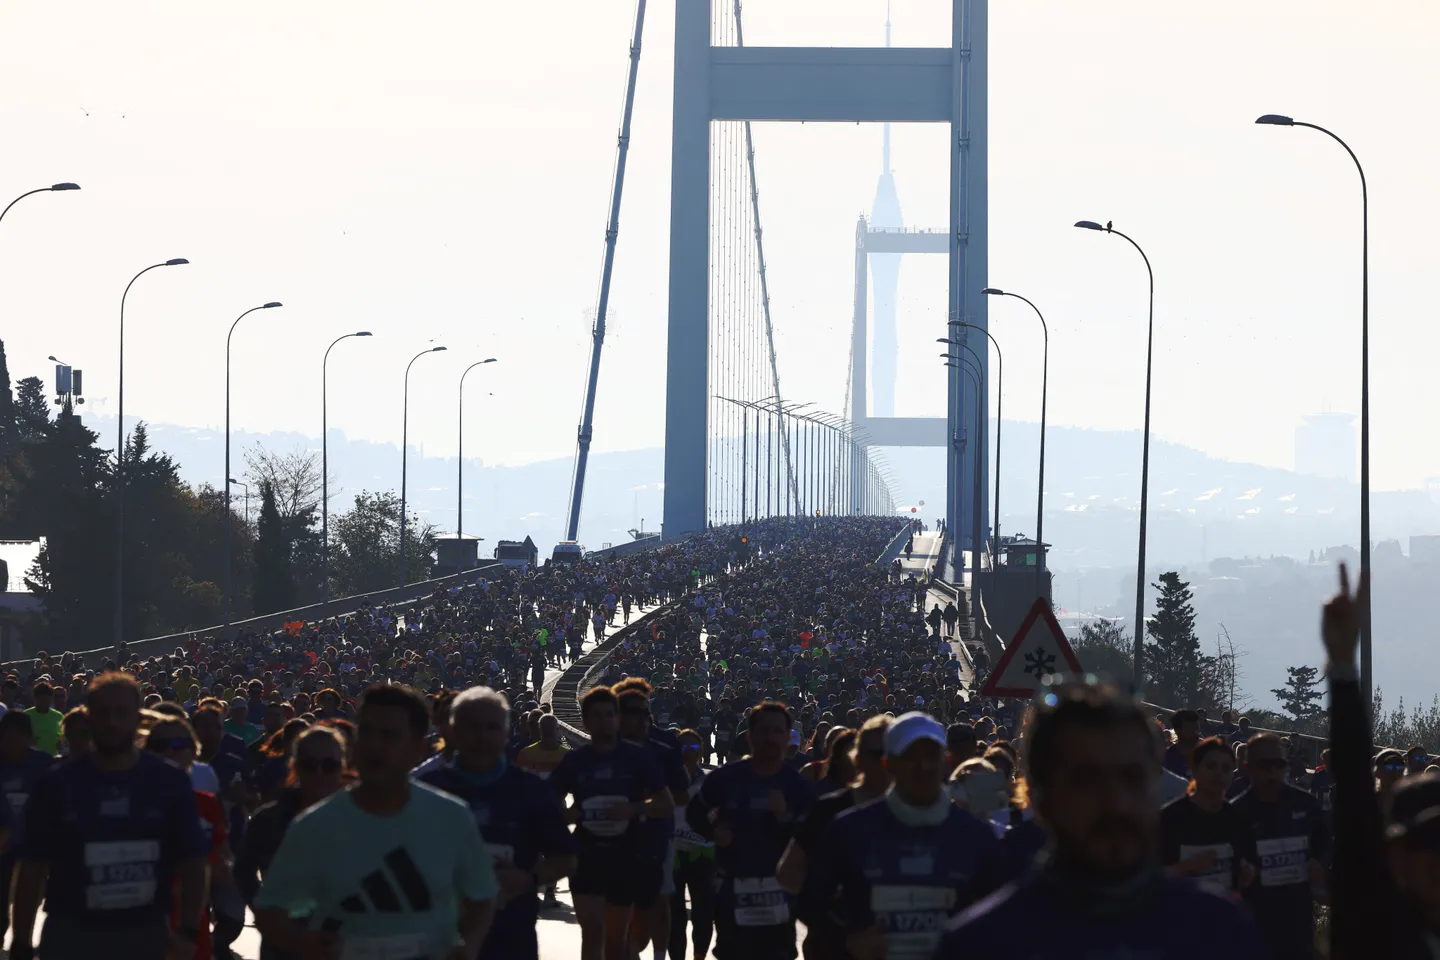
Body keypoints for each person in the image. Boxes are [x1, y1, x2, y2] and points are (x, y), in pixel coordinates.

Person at [936, 682, 1270, 958]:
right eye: (1088, 781)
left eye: (1132, 778)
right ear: (1039, 799)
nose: (1116, 802)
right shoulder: (980, 946)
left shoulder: (1220, 931)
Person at [254, 683, 498, 959]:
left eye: (390, 735)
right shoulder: (315, 825)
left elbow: (482, 897)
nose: (375, 746)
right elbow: (269, 909)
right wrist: (301, 942)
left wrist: (469, 946)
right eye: (367, 733)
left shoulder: (450, 817)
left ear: (419, 747)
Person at [11, 672, 210, 960]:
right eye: (103, 713)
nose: (112, 722)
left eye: (122, 713)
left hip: (144, 936)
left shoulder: (170, 782)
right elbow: (31, 870)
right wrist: (20, 943)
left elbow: (193, 863)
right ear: (89, 718)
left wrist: (188, 933)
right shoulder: (56, 785)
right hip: (71, 937)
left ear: (137, 717)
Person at [805, 712, 1006, 960]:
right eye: (911, 756)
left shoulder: (976, 835)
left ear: (945, 761)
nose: (924, 766)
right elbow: (810, 900)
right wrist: (846, 939)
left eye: (932, 755)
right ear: (889, 764)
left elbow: (1003, 911)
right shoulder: (850, 830)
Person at [419, 686, 576, 960]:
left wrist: (529, 879)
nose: (482, 737)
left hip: (511, 938)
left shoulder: (531, 791)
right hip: (438, 942)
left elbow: (566, 858)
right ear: (453, 732)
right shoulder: (424, 790)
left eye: (492, 727)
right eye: (472, 727)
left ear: (506, 733)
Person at [686, 701, 815, 960]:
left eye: (778, 731)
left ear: (787, 737)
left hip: (779, 894)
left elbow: (812, 837)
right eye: (764, 730)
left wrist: (784, 818)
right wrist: (714, 832)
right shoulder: (725, 778)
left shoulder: (797, 786)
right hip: (734, 889)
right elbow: (694, 814)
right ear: (750, 736)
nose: (770, 737)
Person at [549, 685, 670, 960]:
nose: (603, 721)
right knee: (592, 932)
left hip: (626, 857)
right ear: (586, 721)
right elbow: (547, 804)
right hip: (587, 856)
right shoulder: (575, 761)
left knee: (617, 939)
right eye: (597, 716)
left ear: (617, 719)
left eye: (608, 715)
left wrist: (635, 808)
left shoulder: (637, 757)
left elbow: (665, 803)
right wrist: (565, 815)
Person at [236, 725, 349, 960]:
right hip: (283, 942)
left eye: (329, 766)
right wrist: (263, 912)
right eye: (309, 765)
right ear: (295, 767)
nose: (319, 773)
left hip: (344, 941)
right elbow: (243, 871)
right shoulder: (268, 819)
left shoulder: (361, 820)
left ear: (343, 768)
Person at [1232, 732, 1328, 960]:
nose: (1273, 772)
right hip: (1253, 924)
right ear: (1248, 767)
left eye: (1279, 764)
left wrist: (1319, 864)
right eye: (1265, 765)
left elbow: (1323, 843)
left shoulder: (1306, 804)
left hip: (1297, 922)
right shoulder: (1236, 814)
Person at [144, 714, 231, 960]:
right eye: (160, 746)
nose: (171, 752)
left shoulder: (206, 804)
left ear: (194, 751)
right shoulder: (133, 802)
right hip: (142, 927)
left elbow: (223, 863)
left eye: (179, 745)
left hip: (191, 927)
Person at [613, 680, 689, 960]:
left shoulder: (665, 743)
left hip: (657, 835)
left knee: (659, 901)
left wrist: (645, 804)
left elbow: (681, 796)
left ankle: (658, 954)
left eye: (644, 710)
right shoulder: (607, 743)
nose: (641, 716)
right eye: (631, 710)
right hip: (614, 838)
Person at [1159, 736, 1257, 896]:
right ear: (1195, 768)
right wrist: (1185, 868)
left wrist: (1245, 876)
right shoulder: (1169, 818)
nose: (1218, 773)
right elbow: (1145, 879)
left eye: (1226, 768)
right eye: (1211, 766)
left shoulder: (1238, 820)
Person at [669, 729, 716, 960]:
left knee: (703, 913)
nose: (689, 752)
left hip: (702, 855)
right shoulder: (665, 780)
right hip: (673, 854)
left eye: (694, 748)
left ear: (701, 752)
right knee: (675, 916)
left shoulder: (709, 782)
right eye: (684, 747)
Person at [23, 681, 62, 757]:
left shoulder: (58, 716)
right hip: (31, 760)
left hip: (52, 760)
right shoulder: (25, 716)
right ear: (35, 698)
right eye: (41, 699)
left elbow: (63, 739)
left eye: (47, 700)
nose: (44, 703)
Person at [1164, 708, 1201, 778]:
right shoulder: (1167, 758)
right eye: (1190, 729)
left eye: (1197, 729)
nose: (1196, 734)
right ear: (1177, 730)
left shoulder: (1205, 757)